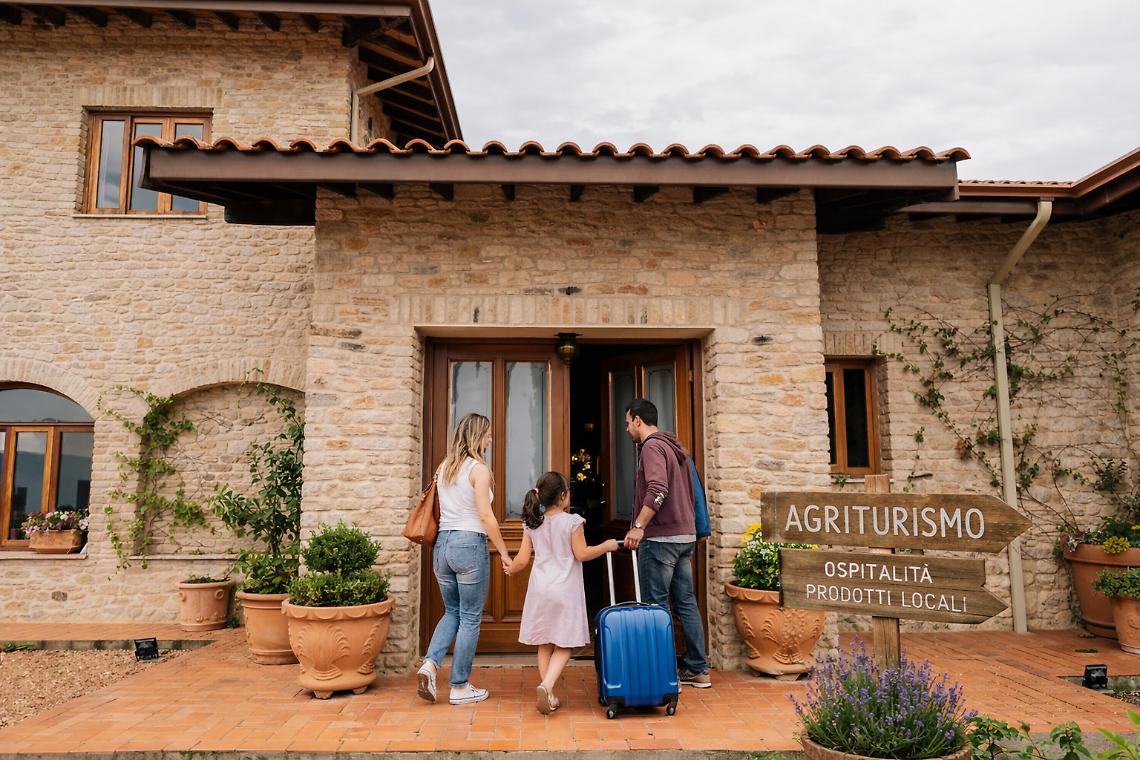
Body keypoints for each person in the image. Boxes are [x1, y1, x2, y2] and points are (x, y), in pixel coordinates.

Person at [416, 413, 513, 706]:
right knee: (470, 617)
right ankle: (459, 687)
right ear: (478, 436)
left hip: (442, 547)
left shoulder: (444, 467)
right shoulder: (478, 470)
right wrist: (505, 552)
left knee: (452, 611)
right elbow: (485, 515)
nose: (491, 439)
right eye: (488, 434)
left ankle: (430, 665)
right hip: (468, 544)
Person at [505, 471, 620, 714]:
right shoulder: (572, 522)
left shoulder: (532, 524)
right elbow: (582, 554)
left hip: (540, 589)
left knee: (545, 641)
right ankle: (547, 685)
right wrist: (607, 546)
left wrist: (511, 569)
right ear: (564, 496)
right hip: (564, 589)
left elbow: (523, 559)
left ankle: (550, 694)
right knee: (565, 643)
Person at [621, 398, 712, 688]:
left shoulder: (651, 447)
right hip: (684, 537)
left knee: (655, 606)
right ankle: (698, 670)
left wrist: (638, 526)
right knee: (686, 602)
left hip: (661, 539)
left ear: (637, 420)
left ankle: (663, 673)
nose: (626, 430)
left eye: (627, 423)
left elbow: (658, 490)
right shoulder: (675, 447)